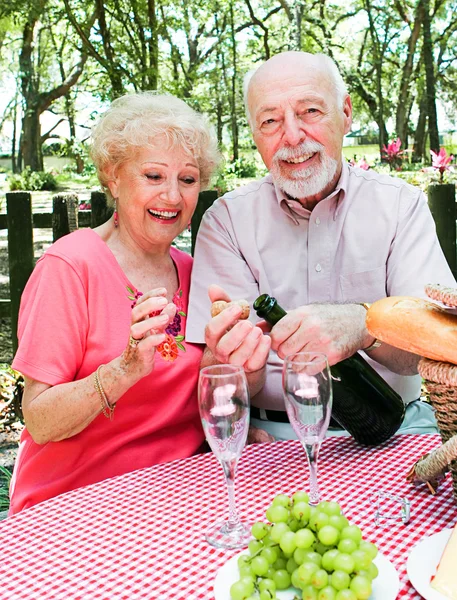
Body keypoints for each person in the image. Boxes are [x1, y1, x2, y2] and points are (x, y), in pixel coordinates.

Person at [186, 51, 457, 441]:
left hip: (399, 428)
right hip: (273, 439)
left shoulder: (400, 205)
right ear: (254, 134)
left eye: (310, 111)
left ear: (345, 113)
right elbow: (222, 375)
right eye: (270, 121)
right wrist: (237, 363)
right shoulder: (226, 222)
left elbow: (433, 349)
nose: (292, 136)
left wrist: (366, 325)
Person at [9, 92, 220, 514]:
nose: (173, 197)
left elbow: (203, 401)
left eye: (188, 179)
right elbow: (39, 420)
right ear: (113, 176)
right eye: (153, 176)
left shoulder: (199, 273)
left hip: (176, 501)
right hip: (72, 505)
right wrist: (121, 371)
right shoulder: (71, 266)